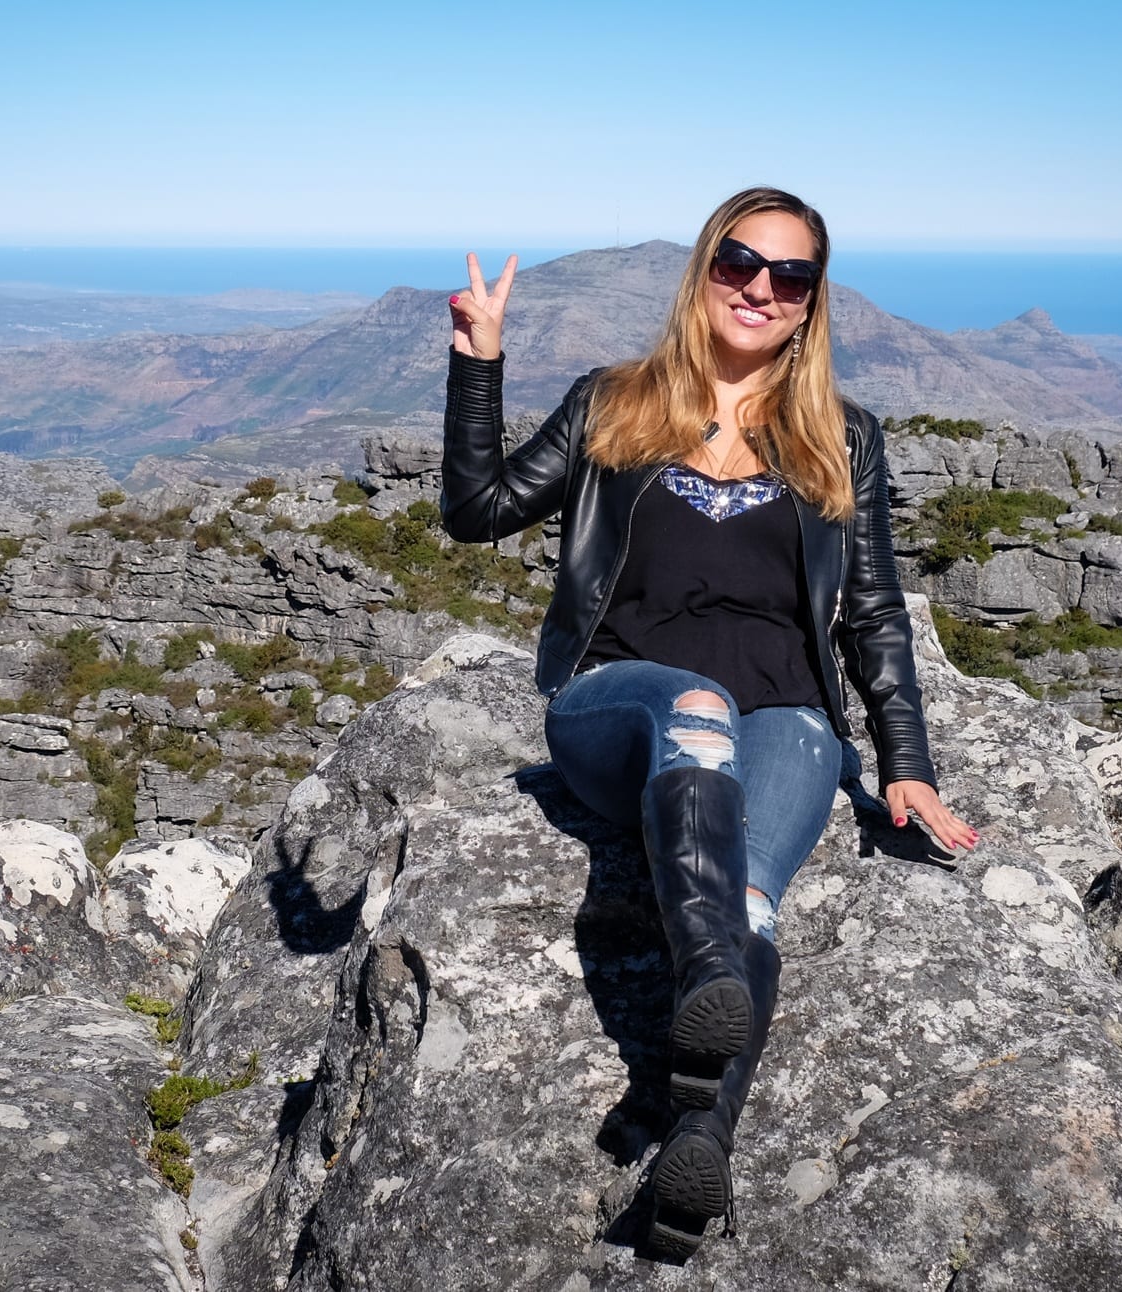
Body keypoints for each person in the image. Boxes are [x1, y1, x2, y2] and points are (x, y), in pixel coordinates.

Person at [440, 186, 977, 1257]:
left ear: (810, 303)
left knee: (748, 898)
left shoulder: (841, 437)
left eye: (790, 275)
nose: (760, 287)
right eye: (741, 261)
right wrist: (479, 360)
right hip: (620, 705)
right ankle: (710, 983)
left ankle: (700, 1145)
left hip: (787, 717)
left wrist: (904, 762)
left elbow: (871, 609)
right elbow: (476, 511)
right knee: (694, 707)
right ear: (705, 270)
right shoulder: (613, 402)